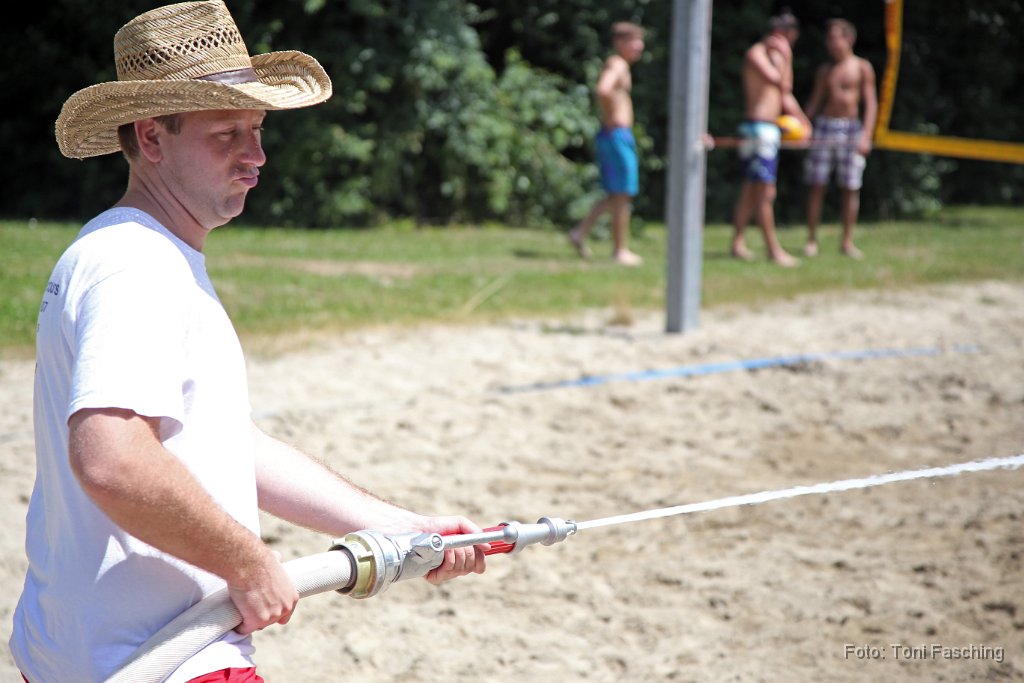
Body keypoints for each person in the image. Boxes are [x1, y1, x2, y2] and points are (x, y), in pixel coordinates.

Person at [10, 3, 487, 682]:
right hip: (160, 657)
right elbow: (112, 457)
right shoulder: (136, 264)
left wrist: (397, 525)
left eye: (257, 130)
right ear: (152, 137)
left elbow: (218, 440)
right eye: (226, 133)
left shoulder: (137, 251)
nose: (256, 155)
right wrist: (246, 560)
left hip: (87, 652)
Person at [730, 9, 812, 267]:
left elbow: (784, 96)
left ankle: (737, 243)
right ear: (780, 33)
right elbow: (782, 84)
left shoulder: (774, 57)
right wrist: (787, 57)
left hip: (768, 129)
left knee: (751, 189)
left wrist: (803, 122)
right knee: (765, 191)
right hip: (758, 129)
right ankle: (773, 251)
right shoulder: (756, 53)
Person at [569, 22, 646, 266]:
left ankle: (579, 232)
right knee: (623, 193)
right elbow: (603, 89)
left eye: (640, 41)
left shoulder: (619, 64)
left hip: (615, 135)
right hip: (617, 135)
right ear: (619, 43)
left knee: (616, 193)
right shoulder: (617, 63)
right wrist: (613, 117)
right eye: (633, 41)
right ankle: (620, 250)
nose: (639, 46)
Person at [802, 18, 878, 259]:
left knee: (850, 187)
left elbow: (871, 103)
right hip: (825, 127)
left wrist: (866, 135)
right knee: (817, 185)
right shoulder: (826, 70)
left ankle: (847, 242)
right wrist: (803, 127)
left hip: (852, 129)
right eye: (829, 39)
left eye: (835, 38)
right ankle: (811, 240)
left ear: (849, 39)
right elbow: (815, 102)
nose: (831, 44)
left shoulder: (862, 67)